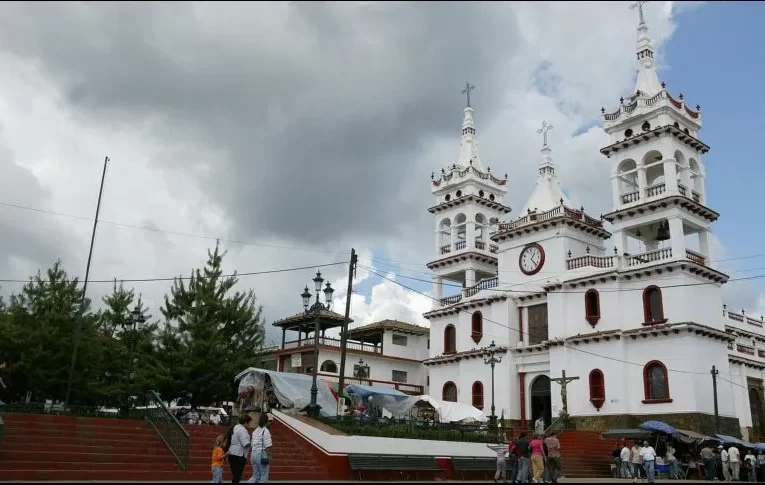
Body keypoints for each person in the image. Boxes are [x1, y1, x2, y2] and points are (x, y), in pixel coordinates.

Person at [249, 413, 273, 483]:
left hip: (253, 454)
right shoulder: (265, 431)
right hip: (262, 455)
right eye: (270, 421)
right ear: (267, 421)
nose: (270, 423)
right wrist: (270, 456)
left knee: (255, 476)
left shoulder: (255, 431)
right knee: (263, 477)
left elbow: (252, 444)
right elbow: (268, 446)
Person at [228, 414, 252, 484]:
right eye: (249, 422)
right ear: (245, 422)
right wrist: (253, 444)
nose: (249, 424)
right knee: (237, 476)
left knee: (235, 475)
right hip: (239, 455)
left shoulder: (235, 427)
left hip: (232, 452)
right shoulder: (243, 430)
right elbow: (246, 444)